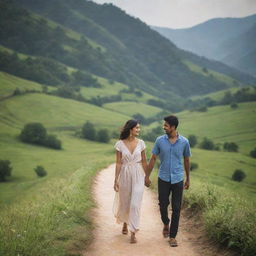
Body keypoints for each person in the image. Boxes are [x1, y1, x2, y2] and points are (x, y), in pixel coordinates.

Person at [145, 115, 191, 247]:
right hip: (163, 178)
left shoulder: (184, 142)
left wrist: (188, 179)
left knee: (176, 208)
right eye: (164, 125)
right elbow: (153, 158)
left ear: (173, 127)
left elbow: (187, 160)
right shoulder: (159, 140)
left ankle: (172, 236)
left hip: (178, 179)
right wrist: (147, 176)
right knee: (163, 204)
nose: (163, 127)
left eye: (166, 125)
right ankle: (166, 222)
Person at [113, 120, 147, 243]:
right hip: (125, 174)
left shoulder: (142, 143)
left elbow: (144, 161)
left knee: (135, 204)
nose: (139, 130)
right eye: (137, 128)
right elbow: (118, 162)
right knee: (125, 201)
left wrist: (147, 176)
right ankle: (125, 223)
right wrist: (115, 179)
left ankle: (133, 232)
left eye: (139, 128)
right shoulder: (120, 144)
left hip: (138, 174)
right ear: (130, 129)